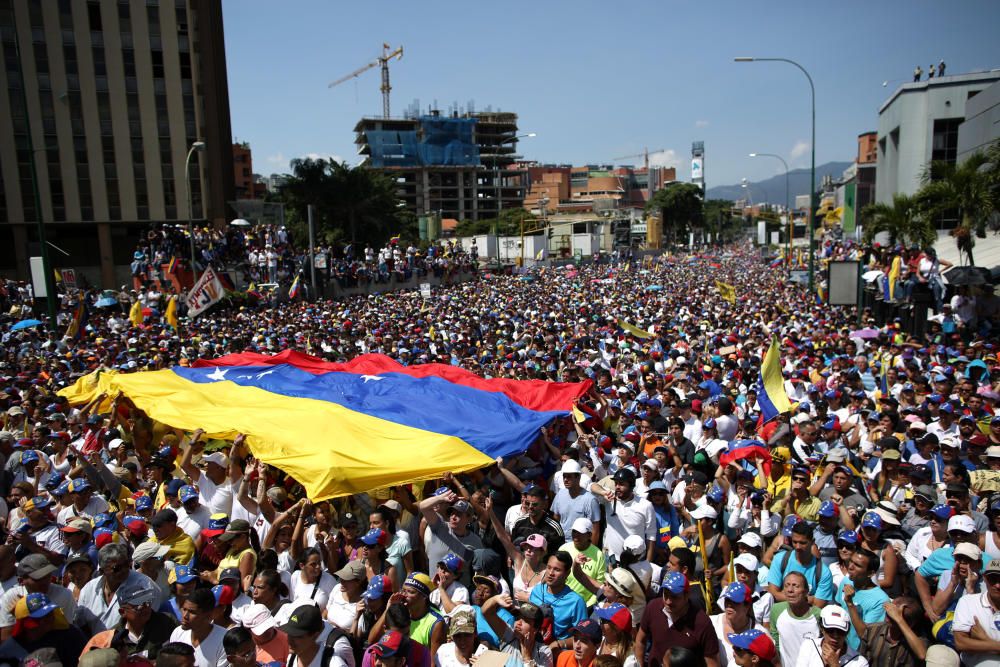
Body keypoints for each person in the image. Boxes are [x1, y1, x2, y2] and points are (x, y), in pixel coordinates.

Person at [634, 572, 720, 667]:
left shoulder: (702, 623)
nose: (668, 601)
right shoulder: (652, 607)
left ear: (687, 595)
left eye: (674, 597)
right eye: (665, 595)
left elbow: (712, 662)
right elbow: (640, 640)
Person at [77, 542, 160, 633]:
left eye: (126, 565)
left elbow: (150, 623)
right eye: (117, 568)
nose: (124, 570)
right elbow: (81, 623)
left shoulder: (145, 585)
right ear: (102, 571)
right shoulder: (89, 589)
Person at [81, 584, 178, 660]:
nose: (146, 608)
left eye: (148, 602)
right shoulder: (113, 638)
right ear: (122, 612)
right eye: (138, 605)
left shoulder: (167, 622)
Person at [0, 592, 87, 667]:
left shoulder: (70, 635)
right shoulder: (9, 650)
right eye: (41, 616)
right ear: (27, 623)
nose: (49, 618)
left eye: (50, 613)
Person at [766, 522, 833, 607]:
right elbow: (772, 594)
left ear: (812, 542)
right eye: (795, 542)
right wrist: (807, 599)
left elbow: (819, 604)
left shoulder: (823, 572)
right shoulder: (780, 559)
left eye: (803, 543)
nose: (798, 547)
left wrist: (784, 595)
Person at [529, 551, 587, 648]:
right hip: (532, 645)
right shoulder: (537, 591)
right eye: (548, 567)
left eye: (557, 570)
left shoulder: (576, 601)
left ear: (567, 573)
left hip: (558, 653)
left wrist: (558, 644)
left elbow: (582, 636)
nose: (551, 573)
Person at [835, 549, 890, 650]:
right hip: (837, 647)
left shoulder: (881, 600)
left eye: (857, 565)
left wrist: (850, 604)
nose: (850, 567)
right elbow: (838, 609)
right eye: (851, 561)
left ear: (870, 573)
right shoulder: (846, 581)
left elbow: (865, 635)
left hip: (857, 655)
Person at [479, 593, 553, 667]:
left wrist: (527, 658)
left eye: (525, 620)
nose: (519, 623)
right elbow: (486, 612)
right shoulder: (509, 635)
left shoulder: (544, 652)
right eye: (518, 618)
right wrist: (496, 599)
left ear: (535, 629)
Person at [951, 557, 1000, 666]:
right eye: (993, 579)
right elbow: (961, 642)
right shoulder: (968, 602)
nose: (998, 585)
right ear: (985, 578)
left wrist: (983, 639)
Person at [855, 597, 927, 667]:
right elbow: (859, 660)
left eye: (893, 619)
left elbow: (922, 655)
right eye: (887, 615)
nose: (887, 620)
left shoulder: (919, 641)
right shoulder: (872, 630)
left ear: (910, 624)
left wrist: (898, 619)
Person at [768, 572, 821, 667]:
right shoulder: (777, 610)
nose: (790, 590)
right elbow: (775, 646)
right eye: (786, 586)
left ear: (806, 591)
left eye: (796, 586)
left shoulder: (818, 615)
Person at [167, 588, 227, 667]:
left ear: (208, 615)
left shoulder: (224, 640)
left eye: (192, 612)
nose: (185, 616)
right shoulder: (178, 632)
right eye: (184, 609)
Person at [793, 605, 868, 667]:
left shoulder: (860, 662)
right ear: (822, 629)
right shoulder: (809, 646)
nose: (835, 636)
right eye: (830, 630)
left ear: (847, 632)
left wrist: (835, 665)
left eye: (840, 631)